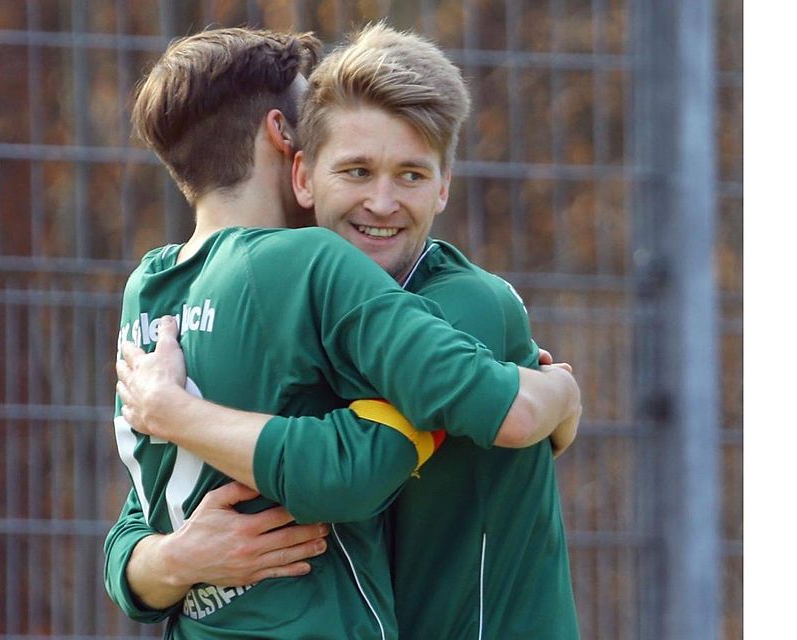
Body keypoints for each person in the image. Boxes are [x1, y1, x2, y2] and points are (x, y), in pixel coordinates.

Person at [104, 25, 580, 639]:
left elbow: (348, 473)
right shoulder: (296, 297)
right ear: (301, 167)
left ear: (443, 186)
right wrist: (176, 558)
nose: (381, 203)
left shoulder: (464, 305)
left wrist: (172, 412)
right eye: (356, 170)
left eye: (410, 175)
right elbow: (143, 514)